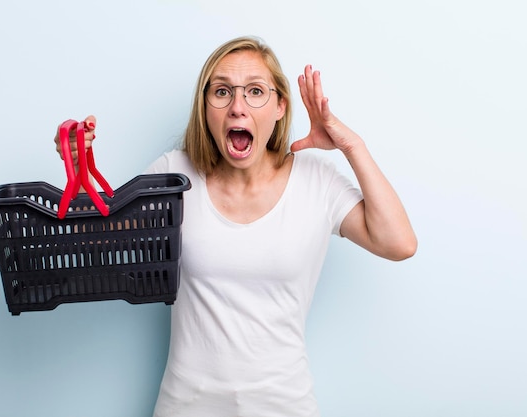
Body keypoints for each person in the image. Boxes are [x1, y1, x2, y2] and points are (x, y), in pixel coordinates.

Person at [55, 36, 417, 417]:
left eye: (256, 91)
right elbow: (95, 245)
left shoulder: (316, 181)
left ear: (280, 107)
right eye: (222, 91)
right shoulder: (174, 174)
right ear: (205, 107)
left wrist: (351, 145)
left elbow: (398, 243)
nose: (237, 107)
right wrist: (77, 169)